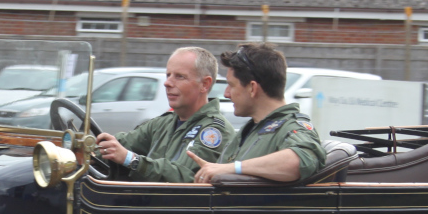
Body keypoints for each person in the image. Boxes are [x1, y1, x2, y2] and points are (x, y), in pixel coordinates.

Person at [188, 43, 326, 184]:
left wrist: (233, 168)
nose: (226, 93)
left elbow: (302, 159)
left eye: (232, 85)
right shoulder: (252, 129)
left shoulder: (291, 127)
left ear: (252, 88)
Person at [95, 47, 234, 183]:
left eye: (180, 76)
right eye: (168, 75)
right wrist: (87, 150)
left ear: (205, 84)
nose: (167, 83)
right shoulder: (163, 123)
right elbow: (121, 144)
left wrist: (131, 160)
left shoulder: (213, 131)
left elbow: (185, 177)